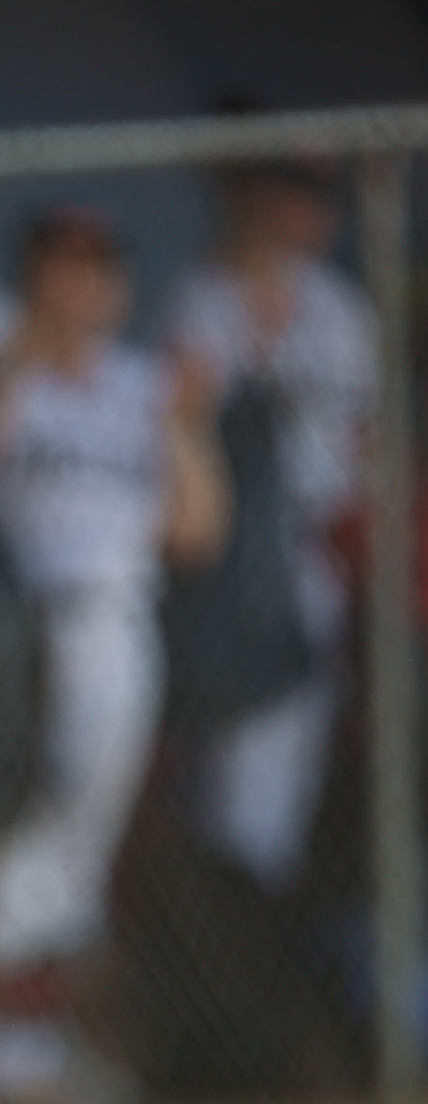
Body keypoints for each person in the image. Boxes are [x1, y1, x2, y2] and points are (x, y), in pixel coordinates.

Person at [0, 210, 228, 1104]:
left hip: (116, 624)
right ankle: (4, 1070)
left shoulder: (146, 385)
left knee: (79, 846)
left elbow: (196, 532)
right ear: (33, 277)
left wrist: (183, 423)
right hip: (16, 633)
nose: (85, 286)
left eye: (100, 267)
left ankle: (33, 1059)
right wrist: (0, 377)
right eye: (65, 267)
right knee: (18, 833)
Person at [167, 160, 376, 892]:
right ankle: (228, 908)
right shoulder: (204, 295)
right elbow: (185, 415)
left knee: (297, 745)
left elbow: (365, 437)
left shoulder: (342, 309)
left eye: (317, 199)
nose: (305, 214)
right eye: (290, 195)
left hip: (319, 549)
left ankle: (263, 903)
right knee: (232, 744)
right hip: (232, 557)